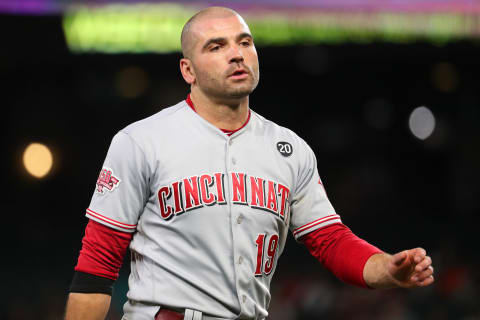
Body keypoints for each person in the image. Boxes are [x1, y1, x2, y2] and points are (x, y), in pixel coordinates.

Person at [65, 6, 434, 320]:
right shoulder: (141, 141)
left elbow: (331, 240)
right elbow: (98, 263)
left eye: (245, 42)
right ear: (188, 71)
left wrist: (385, 268)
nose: (237, 53)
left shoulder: (289, 149)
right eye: (217, 46)